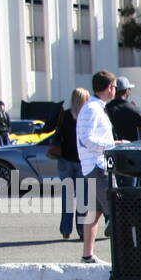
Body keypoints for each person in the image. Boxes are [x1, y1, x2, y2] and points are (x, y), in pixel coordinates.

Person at [76, 70, 125, 264]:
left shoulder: (95, 107)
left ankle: (87, 255)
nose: (115, 90)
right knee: (117, 211)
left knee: (93, 213)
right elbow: (86, 139)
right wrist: (114, 145)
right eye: (114, 86)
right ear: (108, 88)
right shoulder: (92, 109)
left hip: (93, 166)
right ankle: (123, 259)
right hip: (98, 166)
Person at [53, 87, 89, 240]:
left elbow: (56, 133)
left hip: (64, 160)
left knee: (67, 196)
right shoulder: (87, 117)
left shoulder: (64, 115)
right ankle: (82, 230)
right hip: (81, 160)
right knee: (83, 198)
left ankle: (65, 229)